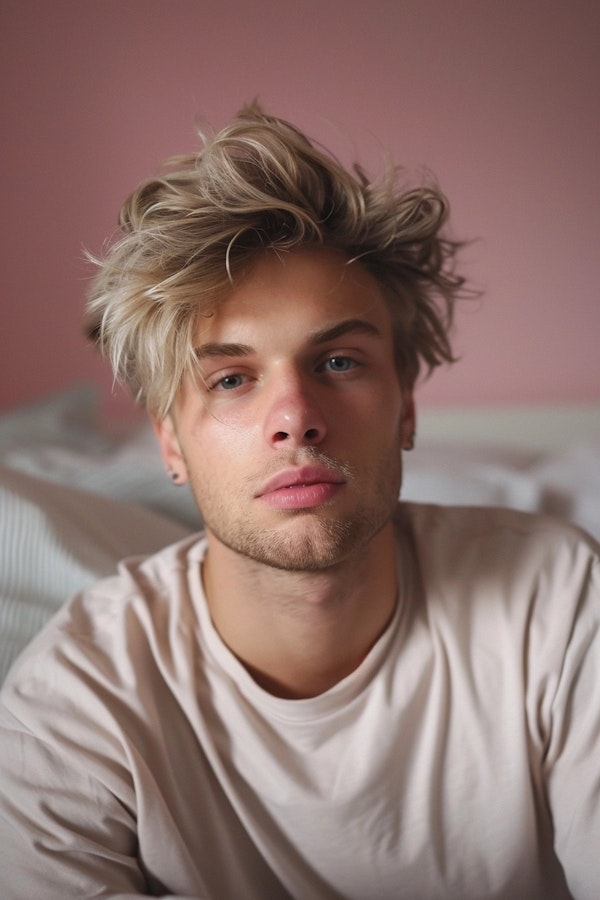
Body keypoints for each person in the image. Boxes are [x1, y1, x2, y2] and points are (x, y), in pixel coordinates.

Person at [0, 104, 598, 900]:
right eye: (232, 379)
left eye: (340, 361)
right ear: (170, 443)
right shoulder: (75, 702)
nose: (296, 419)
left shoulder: (560, 603)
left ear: (408, 406)